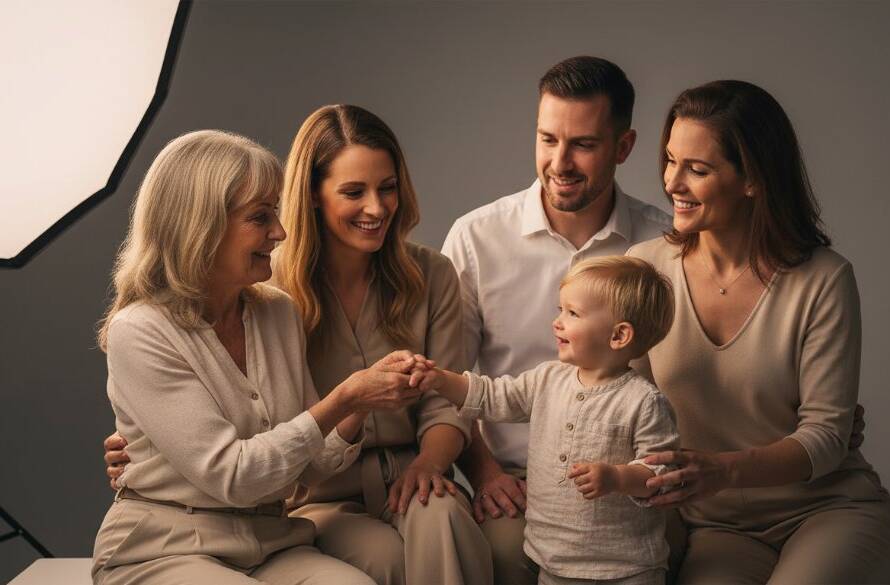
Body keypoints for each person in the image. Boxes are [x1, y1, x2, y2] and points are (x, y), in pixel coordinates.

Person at [104, 106, 491, 585]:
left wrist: (360, 401)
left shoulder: (273, 309)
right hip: (172, 542)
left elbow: (317, 456)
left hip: (268, 535)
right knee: (384, 559)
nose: (279, 232)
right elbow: (234, 472)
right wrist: (347, 397)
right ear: (200, 225)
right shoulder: (142, 329)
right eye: (261, 218)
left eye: (386, 187)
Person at [627, 80, 890, 584]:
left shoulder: (824, 279)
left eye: (697, 169)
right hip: (719, 528)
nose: (671, 183)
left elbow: (827, 437)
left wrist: (721, 470)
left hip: (828, 510)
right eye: (670, 160)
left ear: (752, 179)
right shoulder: (646, 271)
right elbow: (624, 401)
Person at [441, 56, 673, 584]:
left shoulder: (662, 245)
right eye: (548, 139)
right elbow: (453, 382)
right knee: (506, 558)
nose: (559, 162)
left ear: (624, 147)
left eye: (583, 144)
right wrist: (485, 471)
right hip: (515, 479)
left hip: (634, 484)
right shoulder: (476, 238)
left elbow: (693, 373)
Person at [411, 256, 680, 585]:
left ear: (619, 335)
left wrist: (618, 477)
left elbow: (660, 474)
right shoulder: (548, 379)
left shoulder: (644, 401)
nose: (557, 322)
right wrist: (439, 379)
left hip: (626, 567)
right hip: (552, 559)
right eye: (559, 310)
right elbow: (492, 396)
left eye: (572, 313)